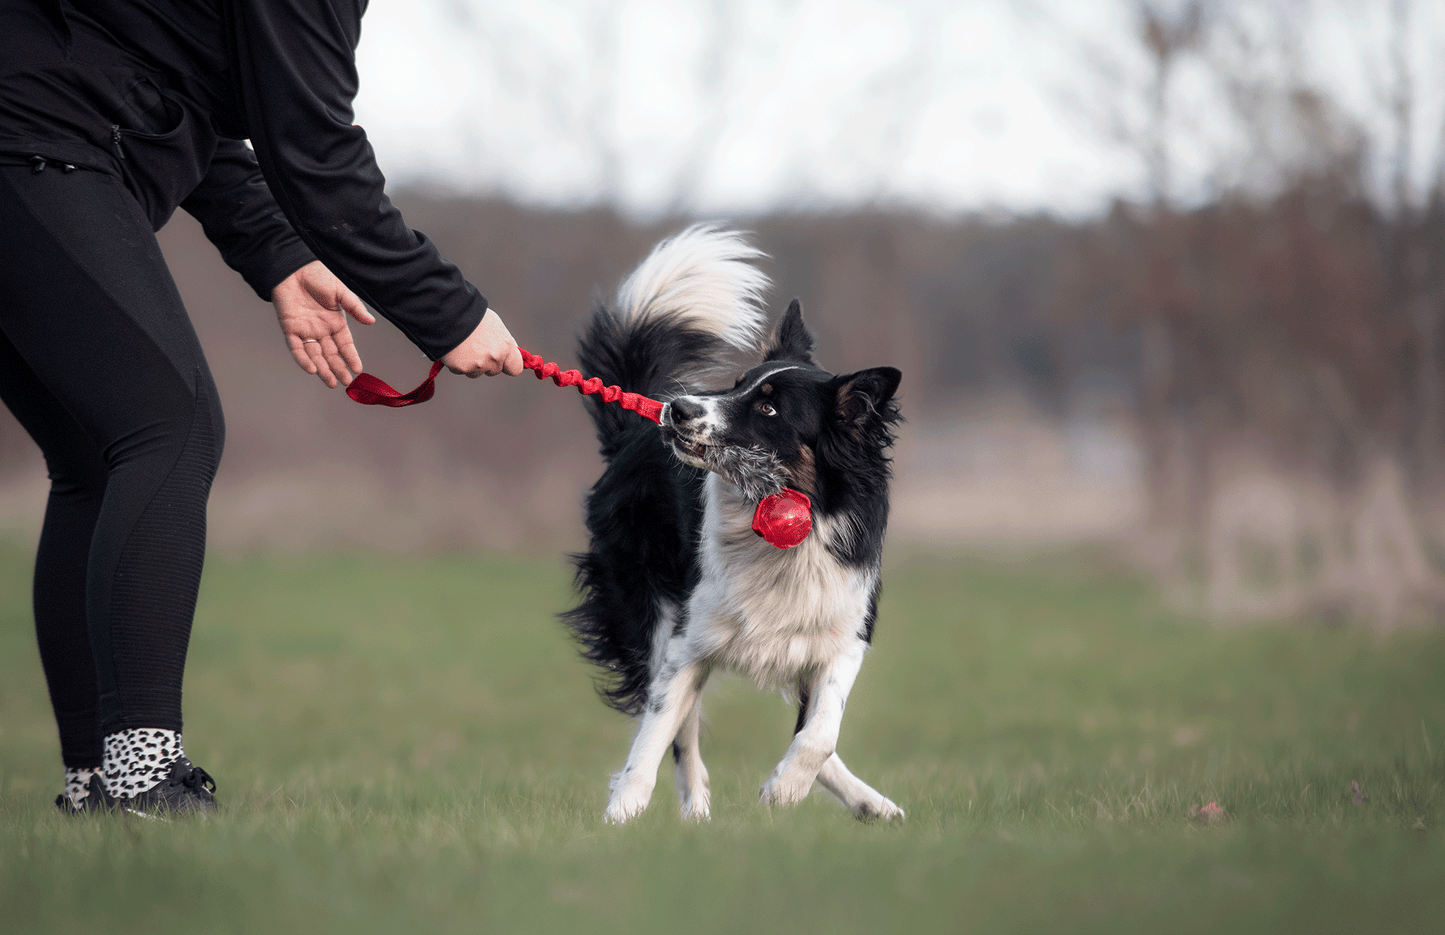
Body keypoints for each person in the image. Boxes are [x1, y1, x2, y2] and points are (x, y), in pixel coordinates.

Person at [0, 0, 523, 814]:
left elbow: (169, 74)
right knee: (169, 430)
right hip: (33, 135)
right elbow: (316, 154)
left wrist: (279, 254)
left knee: (96, 456)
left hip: (36, 124)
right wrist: (449, 313)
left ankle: (99, 782)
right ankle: (142, 778)